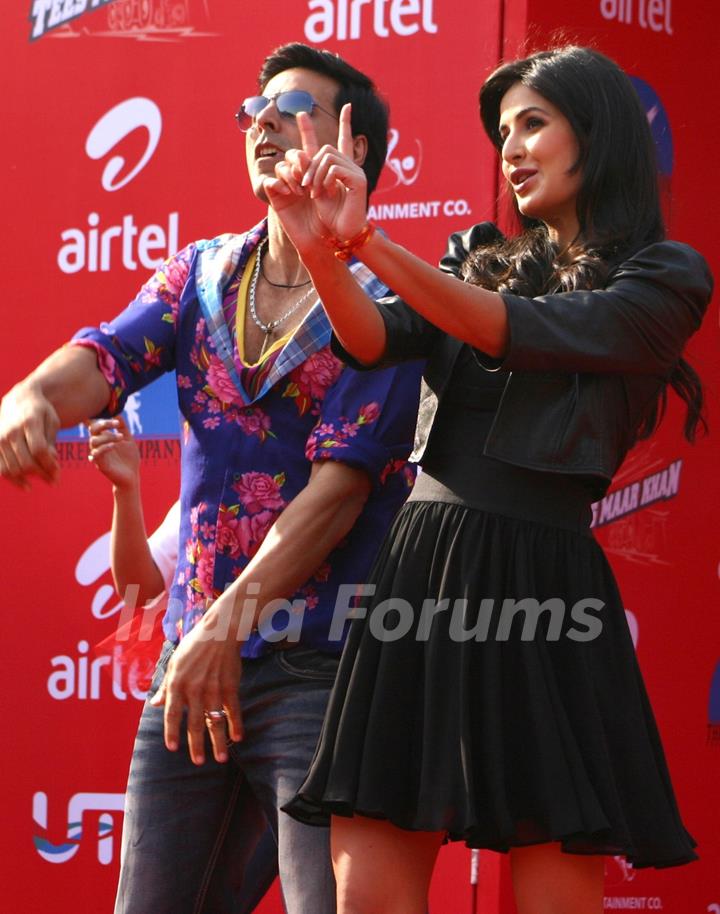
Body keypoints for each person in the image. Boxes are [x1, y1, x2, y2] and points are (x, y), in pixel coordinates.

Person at [262, 45, 713, 914]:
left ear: (600, 131)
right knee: (369, 891)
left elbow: (520, 332)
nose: (510, 147)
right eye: (503, 131)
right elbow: (369, 337)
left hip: (547, 591)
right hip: (419, 580)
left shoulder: (666, 278)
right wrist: (327, 251)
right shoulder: (475, 256)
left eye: (534, 123)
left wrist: (371, 242)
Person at [0, 43, 421, 914]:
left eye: (293, 105)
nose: (263, 123)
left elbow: (338, 493)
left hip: (323, 668)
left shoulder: (386, 310)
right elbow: (105, 356)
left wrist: (224, 628)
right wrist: (31, 397)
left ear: (355, 150)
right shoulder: (198, 274)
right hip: (190, 671)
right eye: (254, 109)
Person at [88, 416, 279, 913]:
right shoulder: (211, 481)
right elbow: (142, 584)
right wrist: (125, 488)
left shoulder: (337, 473)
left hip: (304, 699)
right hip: (198, 708)